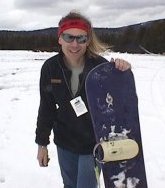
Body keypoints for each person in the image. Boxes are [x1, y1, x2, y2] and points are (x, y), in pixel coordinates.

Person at [35, 10, 131, 188]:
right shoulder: (50, 68)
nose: (74, 44)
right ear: (60, 38)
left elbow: (118, 105)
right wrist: (42, 143)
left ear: (88, 41)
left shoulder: (101, 67)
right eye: (69, 37)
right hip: (64, 142)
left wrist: (121, 73)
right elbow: (46, 108)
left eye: (81, 38)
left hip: (92, 145)